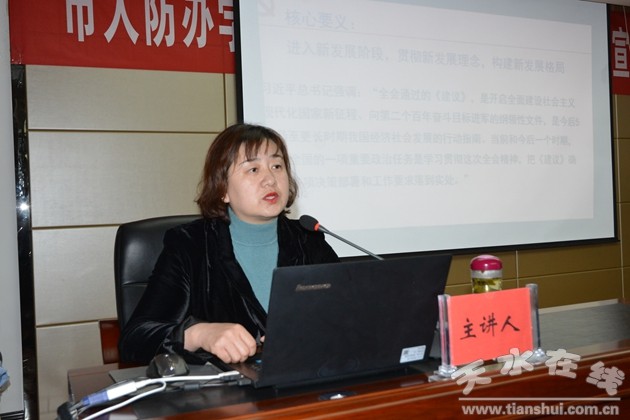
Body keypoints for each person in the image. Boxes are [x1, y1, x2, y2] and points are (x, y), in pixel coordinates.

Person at [118, 123, 339, 365]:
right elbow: (134, 340)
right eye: (253, 169)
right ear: (223, 189)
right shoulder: (190, 246)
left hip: (303, 376)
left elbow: (349, 316)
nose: (270, 180)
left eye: (277, 166)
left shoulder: (308, 240)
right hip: (228, 385)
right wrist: (199, 334)